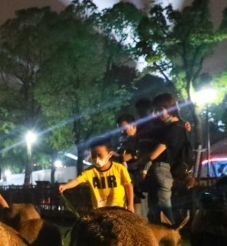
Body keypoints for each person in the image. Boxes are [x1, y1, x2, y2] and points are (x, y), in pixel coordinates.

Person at [139, 93, 188, 223]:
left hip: (162, 169)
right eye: (156, 110)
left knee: (163, 210)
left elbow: (154, 154)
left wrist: (139, 161)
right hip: (162, 170)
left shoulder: (173, 129)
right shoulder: (173, 126)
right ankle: (163, 239)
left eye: (161, 109)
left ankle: (172, 239)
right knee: (158, 209)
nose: (158, 113)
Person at [59, 138, 134, 212]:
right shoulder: (89, 171)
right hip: (99, 211)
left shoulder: (119, 168)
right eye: (94, 156)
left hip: (119, 209)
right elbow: (77, 180)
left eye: (100, 155)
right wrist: (66, 186)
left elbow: (128, 185)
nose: (96, 159)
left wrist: (130, 204)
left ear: (110, 154)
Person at [116, 113, 147, 218]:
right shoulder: (123, 142)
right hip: (126, 178)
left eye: (124, 128)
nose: (122, 131)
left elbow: (147, 153)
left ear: (134, 126)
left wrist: (133, 156)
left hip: (138, 179)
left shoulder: (141, 139)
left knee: (138, 210)